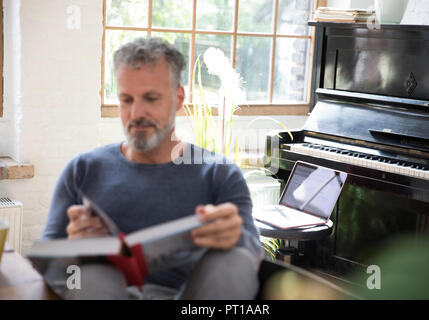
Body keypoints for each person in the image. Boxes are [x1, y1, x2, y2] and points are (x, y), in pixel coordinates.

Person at [41, 37, 264, 300]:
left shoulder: (219, 174)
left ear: (178, 97)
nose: (136, 113)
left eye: (151, 98)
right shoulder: (83, 170)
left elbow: (251, 260)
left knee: (234, 262)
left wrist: (234, 236)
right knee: (86, 277)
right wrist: (71, 252)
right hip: (103, 293)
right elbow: (47, 266)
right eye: (126, 99)